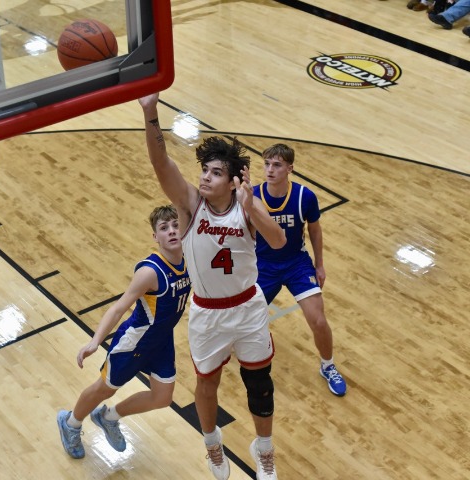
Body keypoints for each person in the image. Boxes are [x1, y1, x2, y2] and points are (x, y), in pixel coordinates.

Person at [139, 93, 286, 480]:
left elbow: (278, 242)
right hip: (208, 313)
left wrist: (252, 208)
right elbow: (161, 162)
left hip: (248, 307)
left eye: (216, 172)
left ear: (233, 181)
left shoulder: (248, 206)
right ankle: (211, 443)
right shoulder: (190, 204)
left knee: (260, 384)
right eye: (204, 169)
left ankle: (264, 450)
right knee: (207, 383)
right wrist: (150, 111)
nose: (205, 176)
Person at [57, 205, 191, 459]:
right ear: (155, 237)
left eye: (175, 225)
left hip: (162, 341)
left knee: (162, 398)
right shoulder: (149, 272)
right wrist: (95, 341)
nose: (172, 231)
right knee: (105, 389)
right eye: (164, 228)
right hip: (135, 342)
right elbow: (118, 308)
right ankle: (70, 423)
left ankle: (108, 417)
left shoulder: (189, 258)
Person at [253, 144, 347, 397]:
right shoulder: (252, 196)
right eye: (267, 164)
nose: (270, 170)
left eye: (277, 165)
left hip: (296, 263)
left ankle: (328, 366)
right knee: (242, 317)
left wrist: (320, 264)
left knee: (318, 320)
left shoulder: (305, 196)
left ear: (290, 168)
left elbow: (315, 230)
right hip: (263, 265)